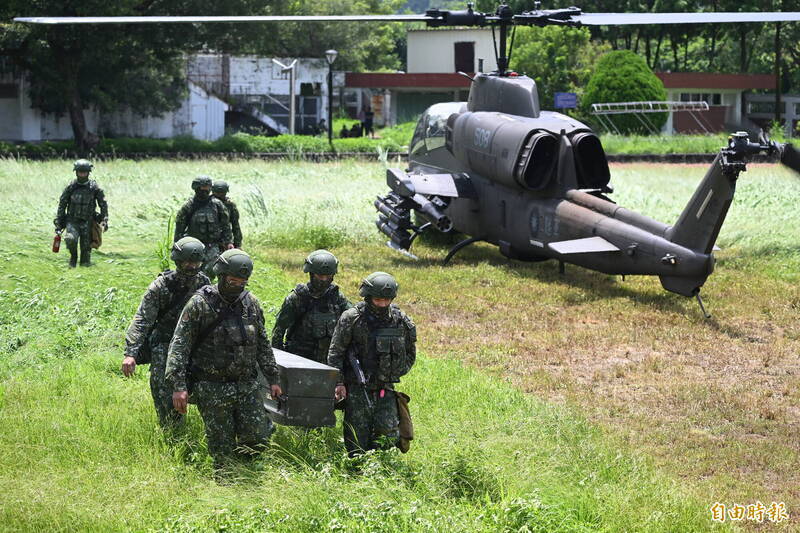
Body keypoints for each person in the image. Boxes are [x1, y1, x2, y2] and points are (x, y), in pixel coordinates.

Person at [165, 249, 282, 467]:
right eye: (232, 281)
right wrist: (178, 386)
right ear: (221, 275)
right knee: (222, 449)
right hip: (212, 387)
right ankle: (226, 479)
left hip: (246, 385)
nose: (237, 286)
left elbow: (263, 344)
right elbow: (179, 346)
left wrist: (273, 378)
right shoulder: (200, 304)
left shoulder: (251, 303)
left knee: (258, 437)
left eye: (242, 282)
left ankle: (248, 470)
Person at [121, 237, 210, 429]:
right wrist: (131, 353)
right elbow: (142, 319)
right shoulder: (161, 286)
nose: (192, 266)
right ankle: (172, 431)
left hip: (194, 345)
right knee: (164, 391)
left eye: (196, 262)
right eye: (187, 262)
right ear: (178, 260)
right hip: (164, 345)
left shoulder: (204, 283)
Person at [327, 271, 416, 456]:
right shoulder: (351, 318)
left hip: (386, 388)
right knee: (357, 440)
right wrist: (339, 383)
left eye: (386, 300)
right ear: (367, 297)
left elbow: (409, 353)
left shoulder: (400, 321)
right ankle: (356, 468)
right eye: (378, 300)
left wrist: (394, 372)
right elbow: (336, 353)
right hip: (357, 389)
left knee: (388, 436)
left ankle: (380, 467)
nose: (382, 304)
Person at [271, 250, 352, 364]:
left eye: (328, 276)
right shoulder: (297, 298)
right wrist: (280, 363)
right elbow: (278, 333)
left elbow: (353, 319)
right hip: (299, 362)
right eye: (320, 276)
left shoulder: (337, 297)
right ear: (311, 274)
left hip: (327, 363)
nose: (324, 280)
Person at [173, 176, 233, 279]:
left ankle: (205, 285)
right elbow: (180, 227)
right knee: (192, 270)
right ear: (196, 189)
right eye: (202, 189)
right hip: (193, 245)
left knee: (211, 270)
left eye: (207, 189)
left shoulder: (217, 205)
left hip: (212, 245)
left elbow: (226, 225)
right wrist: (177, 245)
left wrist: (228, 242)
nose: (204, 192)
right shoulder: (189, 206)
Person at [54, 159, 108, 267]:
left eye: (84, 172)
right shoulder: (71, 187)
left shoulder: (94, 188)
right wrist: (59, 222)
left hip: (88, 222)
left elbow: (103, 204)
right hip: (72, 221)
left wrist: (104, 220)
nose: (82, 174)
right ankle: (73, 257)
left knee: (86, 251)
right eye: (80, 172)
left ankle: (85, 267)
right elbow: (62, 205)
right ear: (76, 172)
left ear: (88, 173)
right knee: (70, 239)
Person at [211, 180, 242, 249]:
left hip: (224, 238)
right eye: (218, 193)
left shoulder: (230, 205)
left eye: (222, 193)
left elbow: (235, 225)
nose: (220, 195)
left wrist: (237, 244)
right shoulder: (207, 202)